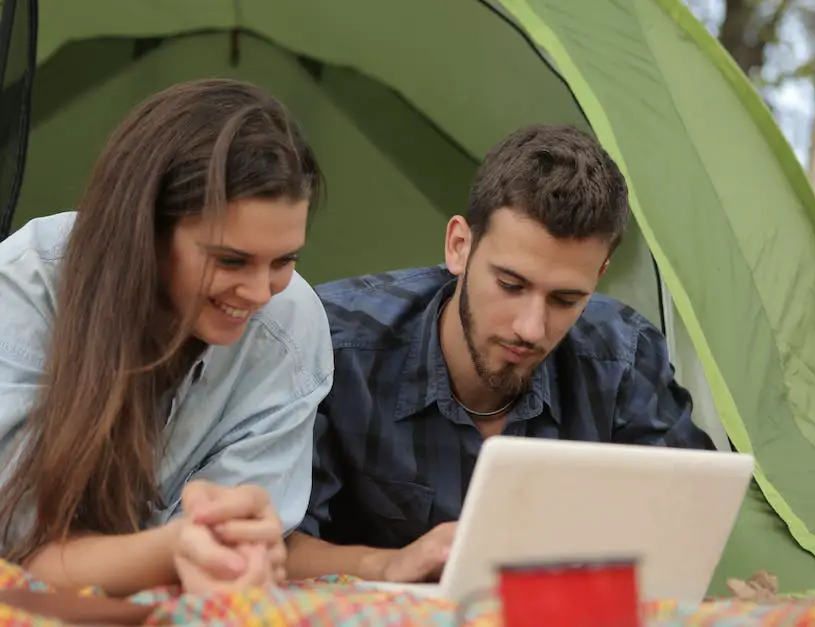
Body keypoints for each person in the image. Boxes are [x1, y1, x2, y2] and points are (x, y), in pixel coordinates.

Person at [285, 123, 715, 583]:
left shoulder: (623, 359)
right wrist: (386, 565)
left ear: (601, 273)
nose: (531, 328)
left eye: (565, 300)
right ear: (459, 247)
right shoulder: (333, 343)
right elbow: (272, 551)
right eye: (510, 285)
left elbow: (689, 525)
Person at [0, 79, 334, 596]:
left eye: (285, 260)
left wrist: (231, 550)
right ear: (145, 231)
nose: (260, 291)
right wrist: (175, 550)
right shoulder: (24, 287)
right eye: (230, 260)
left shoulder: (291, 327)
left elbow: (231, 551)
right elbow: (15, 550)